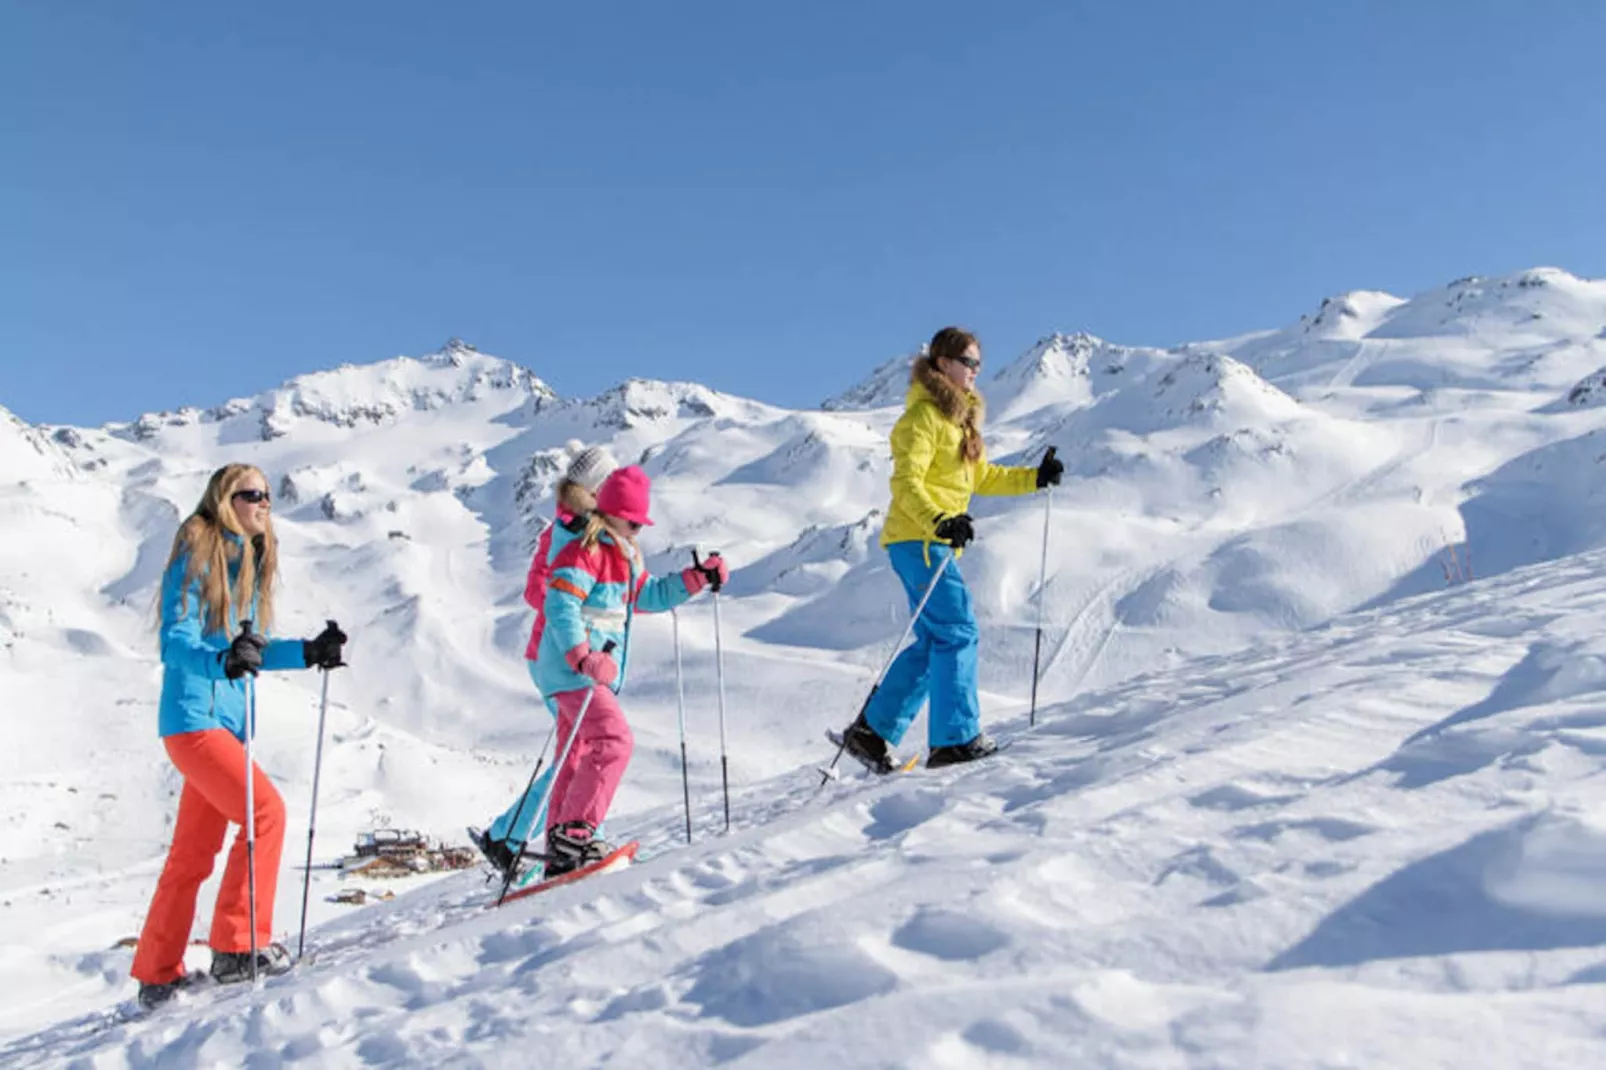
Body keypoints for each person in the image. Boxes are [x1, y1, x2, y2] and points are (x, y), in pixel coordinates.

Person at [130, 464, 348, 1010]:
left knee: (192, 855)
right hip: (192, 719)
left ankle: (157, 973)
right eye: (252, 494)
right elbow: (175, 644)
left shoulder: (247, 563)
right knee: (266, 812)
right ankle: (236, 945)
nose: (264, 503)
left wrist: (307, 651)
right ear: (224, 499)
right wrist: (221, 659)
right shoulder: (197, 552)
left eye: (269, 496)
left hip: (220, 724)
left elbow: (251, 650)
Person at [838, 326, 1063, 772]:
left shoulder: (959, 423)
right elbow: (906, 483)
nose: (976, 371)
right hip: (919, 539)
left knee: (936, 637)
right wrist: (940, 520)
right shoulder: (922, 419)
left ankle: (872, 731)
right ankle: (955, 740)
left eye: (980, 363)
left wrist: (1035, 477)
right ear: (942, 364)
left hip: (929, 540)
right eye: (968, 362)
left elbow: (984, 477)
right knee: (958, 628)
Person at [533, 464, 728, 877]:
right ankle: (575, 834)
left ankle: (561, 849)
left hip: (582, 672)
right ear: (609, 514)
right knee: (614, 740)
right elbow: (559, 605)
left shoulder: (623, 558)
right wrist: (583, 656)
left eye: (641, 524)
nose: (637, 530)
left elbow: (650, 596)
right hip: (574, 671)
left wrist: (697, 579)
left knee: (577, 755)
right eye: (632, 522)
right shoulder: (583, 553)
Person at [469, 441, 618, 877]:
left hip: (579, 658)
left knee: (578, 751)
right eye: (607, 485)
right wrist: (571, 592)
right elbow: (537, 591)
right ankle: (562, 839)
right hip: (558, 658)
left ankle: (520, 837)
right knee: (591, 747)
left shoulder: (601, 533)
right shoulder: (564, 534)